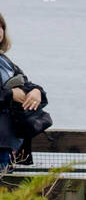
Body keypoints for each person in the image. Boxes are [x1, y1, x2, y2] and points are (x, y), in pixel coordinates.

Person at [0, 11, 49, 173]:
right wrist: (10, 94)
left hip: (10, 142)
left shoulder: (5, 62)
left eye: (1, 26)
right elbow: (10, 92)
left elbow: (26, 83)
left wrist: (36, 92)